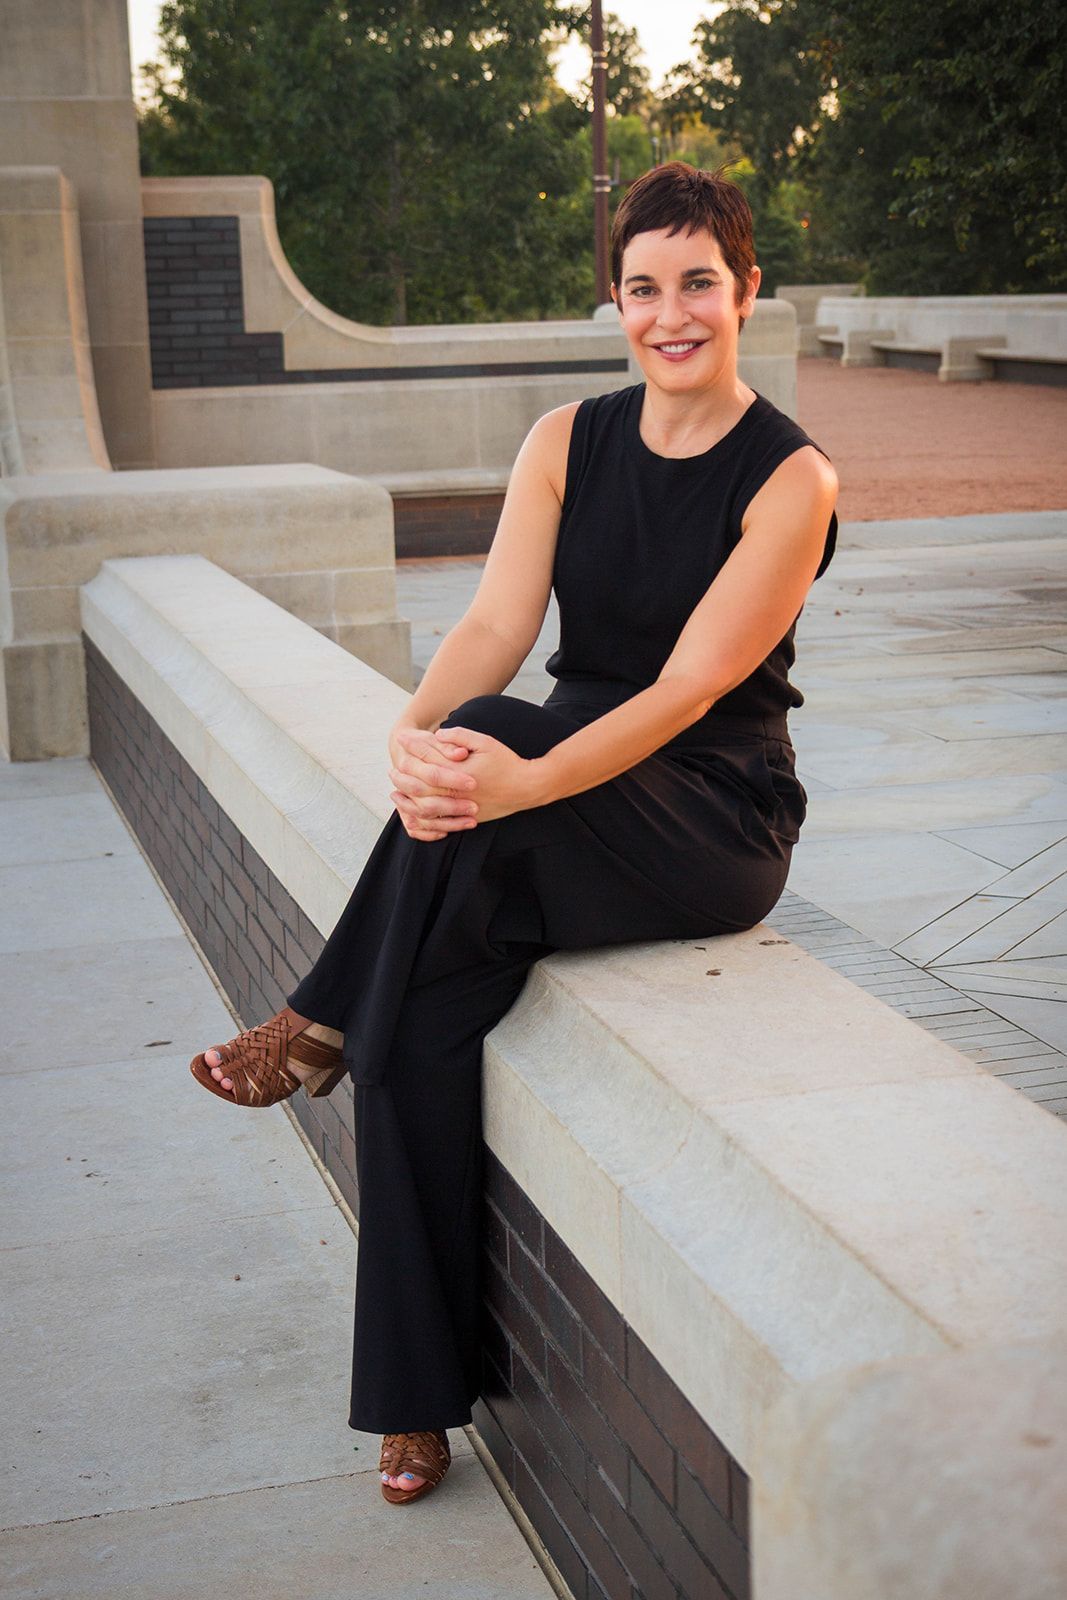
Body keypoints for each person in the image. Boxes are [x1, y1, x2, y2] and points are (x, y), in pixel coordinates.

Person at [189, 159, 840, 1505]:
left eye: (700, 285)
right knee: (419, 1019)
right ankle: (414, 1406)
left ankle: (309, 1019)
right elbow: (494, 626)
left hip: (705, 812)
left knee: (503, 728)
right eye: (645, 287)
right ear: (615, 300)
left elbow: (687, 689)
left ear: (746, 292)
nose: (673, 314)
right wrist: (412, 738)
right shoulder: (565, 440)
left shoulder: (791, 478)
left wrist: (505, 777)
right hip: (550, 795)